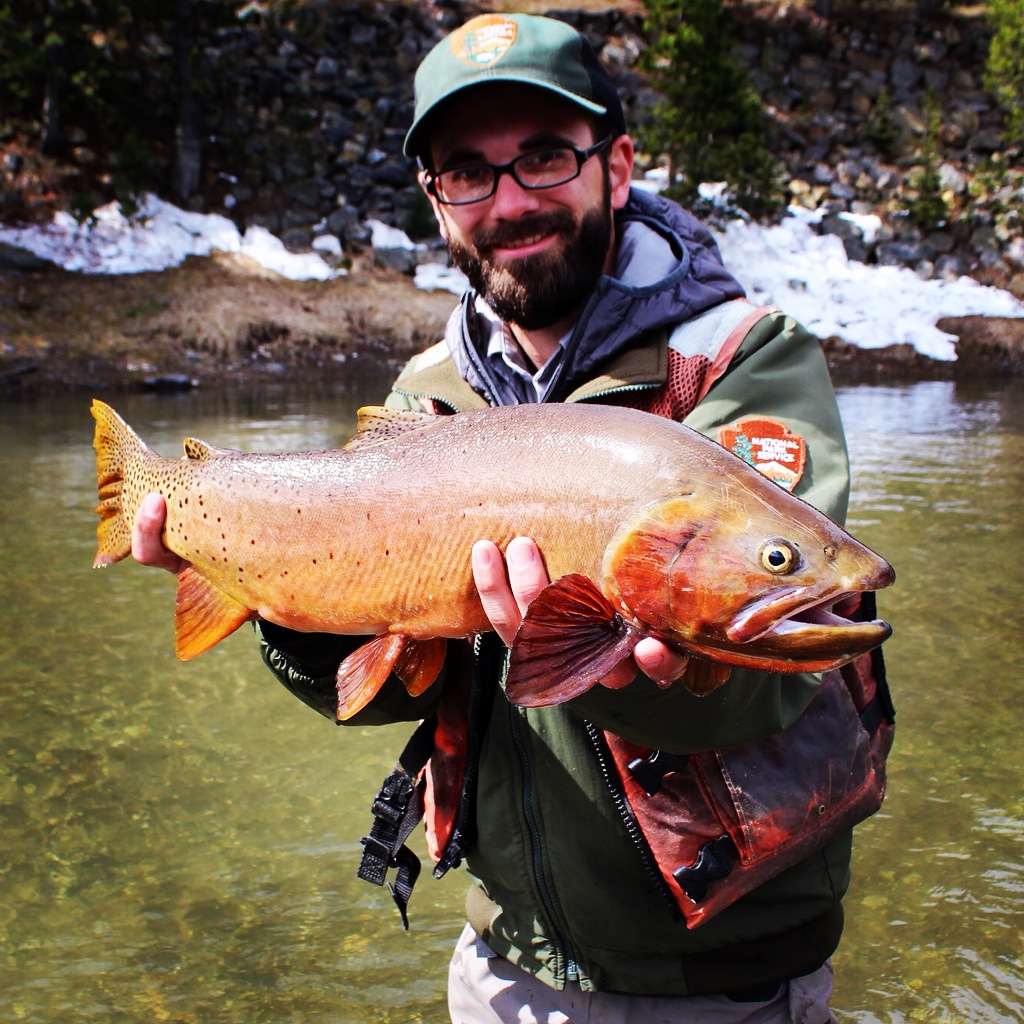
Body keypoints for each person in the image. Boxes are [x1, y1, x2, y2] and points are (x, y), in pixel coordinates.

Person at [132, 13, 893, 1023]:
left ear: (615, 164)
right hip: (505, 967)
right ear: (435, 201)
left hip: (725, 979)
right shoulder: (424, 394)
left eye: (542, 158)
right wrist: (268, 588)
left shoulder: (738, 360)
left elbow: (762, 690)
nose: (509, 202)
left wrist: (627, 666)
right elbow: (395, 686)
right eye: (467, 172)